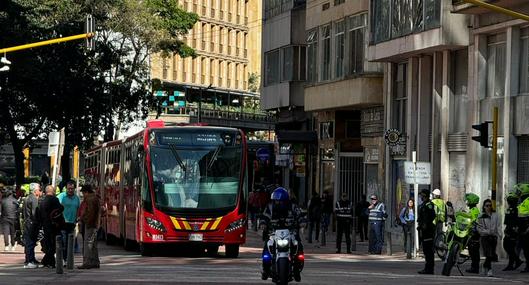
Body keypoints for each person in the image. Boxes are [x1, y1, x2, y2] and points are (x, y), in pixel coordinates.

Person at [261, 187, 303, 282]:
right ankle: (266, 270)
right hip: (273, 233)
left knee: (298, 247)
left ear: (285, 200)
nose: (277, 203)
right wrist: (263, 223)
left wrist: (302, 222)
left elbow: (299, 215)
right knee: (266, 250)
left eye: (280, 201)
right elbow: (265, 216)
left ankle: (297, 270)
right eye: (275, 200)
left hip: (291, 232)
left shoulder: (293, 206)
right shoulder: (270, 207)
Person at [38, 185, 64, 268]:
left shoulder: (41, 200)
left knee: (48, 243)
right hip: (54, 224)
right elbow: (60, 208)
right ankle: (48, 261)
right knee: (54, 244)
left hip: (45, 225)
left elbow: (38, 213)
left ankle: (47, 261)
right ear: (53, 191)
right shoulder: (55, 199)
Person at [78, 184, 101, 269]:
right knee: (93, 243)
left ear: (86, 192)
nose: (83, 195)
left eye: (83, 193)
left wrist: (84, 219)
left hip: (90, 224)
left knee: (88, 244)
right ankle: (95, 261)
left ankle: (87, 262)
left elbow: (90, 212)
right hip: (94, 224)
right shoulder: (95, 198)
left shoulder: (89, 199)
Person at [57, 180, 80, 263]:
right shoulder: (61, 196)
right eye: (69, 188)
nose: (70, 190)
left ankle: (68, 259)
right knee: (63, 241)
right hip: (63, 223)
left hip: (72, 223)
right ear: (66, 188)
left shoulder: (77, 198)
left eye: (72, 189)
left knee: (70, 243)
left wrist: (77, 219)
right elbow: (56, 208)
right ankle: (63, 259)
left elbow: (78, 209)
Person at [476, 199, 499, 277]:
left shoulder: (495, 215)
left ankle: (484, 265)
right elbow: (478, 228)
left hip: (493, 237)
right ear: (484, 207)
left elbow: (498, 226)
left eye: (490, 205)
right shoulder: (481, 216)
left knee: (492, 255)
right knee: (488, 254)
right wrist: (485, 232)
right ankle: (489, 270)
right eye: (487, 206)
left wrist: (498, 234)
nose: (488, 207)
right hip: (485, 237)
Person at [22, 183, 42, 269]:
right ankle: (30, 260)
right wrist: (38, 222)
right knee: (31, 242)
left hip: (27, 222)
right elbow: (35, 213)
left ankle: (31, 259)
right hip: (32, 223)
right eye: (39, 189)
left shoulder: (26, 198)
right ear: (35, 190)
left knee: (29, 242)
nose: (40, 191)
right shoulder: (34, 199)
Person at [503, 191, 524, 271]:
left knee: (509, 247)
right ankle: (512, 263)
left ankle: (516, 261)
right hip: (509, 230)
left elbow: (516, 221)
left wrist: (514, 229)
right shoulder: (511, 209)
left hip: (512, 231)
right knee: (508, 246)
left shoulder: (516, 209)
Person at [417, 189, 436, 274]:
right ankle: (427, 268)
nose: (421, 197)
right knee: (425, 250)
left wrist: (425, 225)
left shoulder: (429, 205)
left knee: (428, 250)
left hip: (428, 230)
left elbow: (432, 216)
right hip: (423, 230)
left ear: (425, 195)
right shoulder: (423, 205)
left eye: (422, 195)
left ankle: (429, 269)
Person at [464, 192, 481, 274]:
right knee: (472, 250)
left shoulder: (474, 210)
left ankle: (475, 267)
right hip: (473, 232)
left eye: (467, 200)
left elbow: (473, 221)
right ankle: (473, 266)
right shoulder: (473, 210)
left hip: (474, 233)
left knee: (474, 250)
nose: (466, 202)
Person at [1, 187, 19, 252]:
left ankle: (6, 246)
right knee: (12, 232)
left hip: (5, 218)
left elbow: (1, 211)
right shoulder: (15, 201)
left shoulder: (3, 201)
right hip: (13, 218)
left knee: (6, 232)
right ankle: (13, 245)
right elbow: (17, 210)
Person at [517, 183, 529, 273]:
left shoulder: (528, 201)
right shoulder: (524, 201)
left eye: (520, 192)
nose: (519, 194)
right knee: (525, 250)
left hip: (527, 230)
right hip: (523, 230)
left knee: (527, 250)